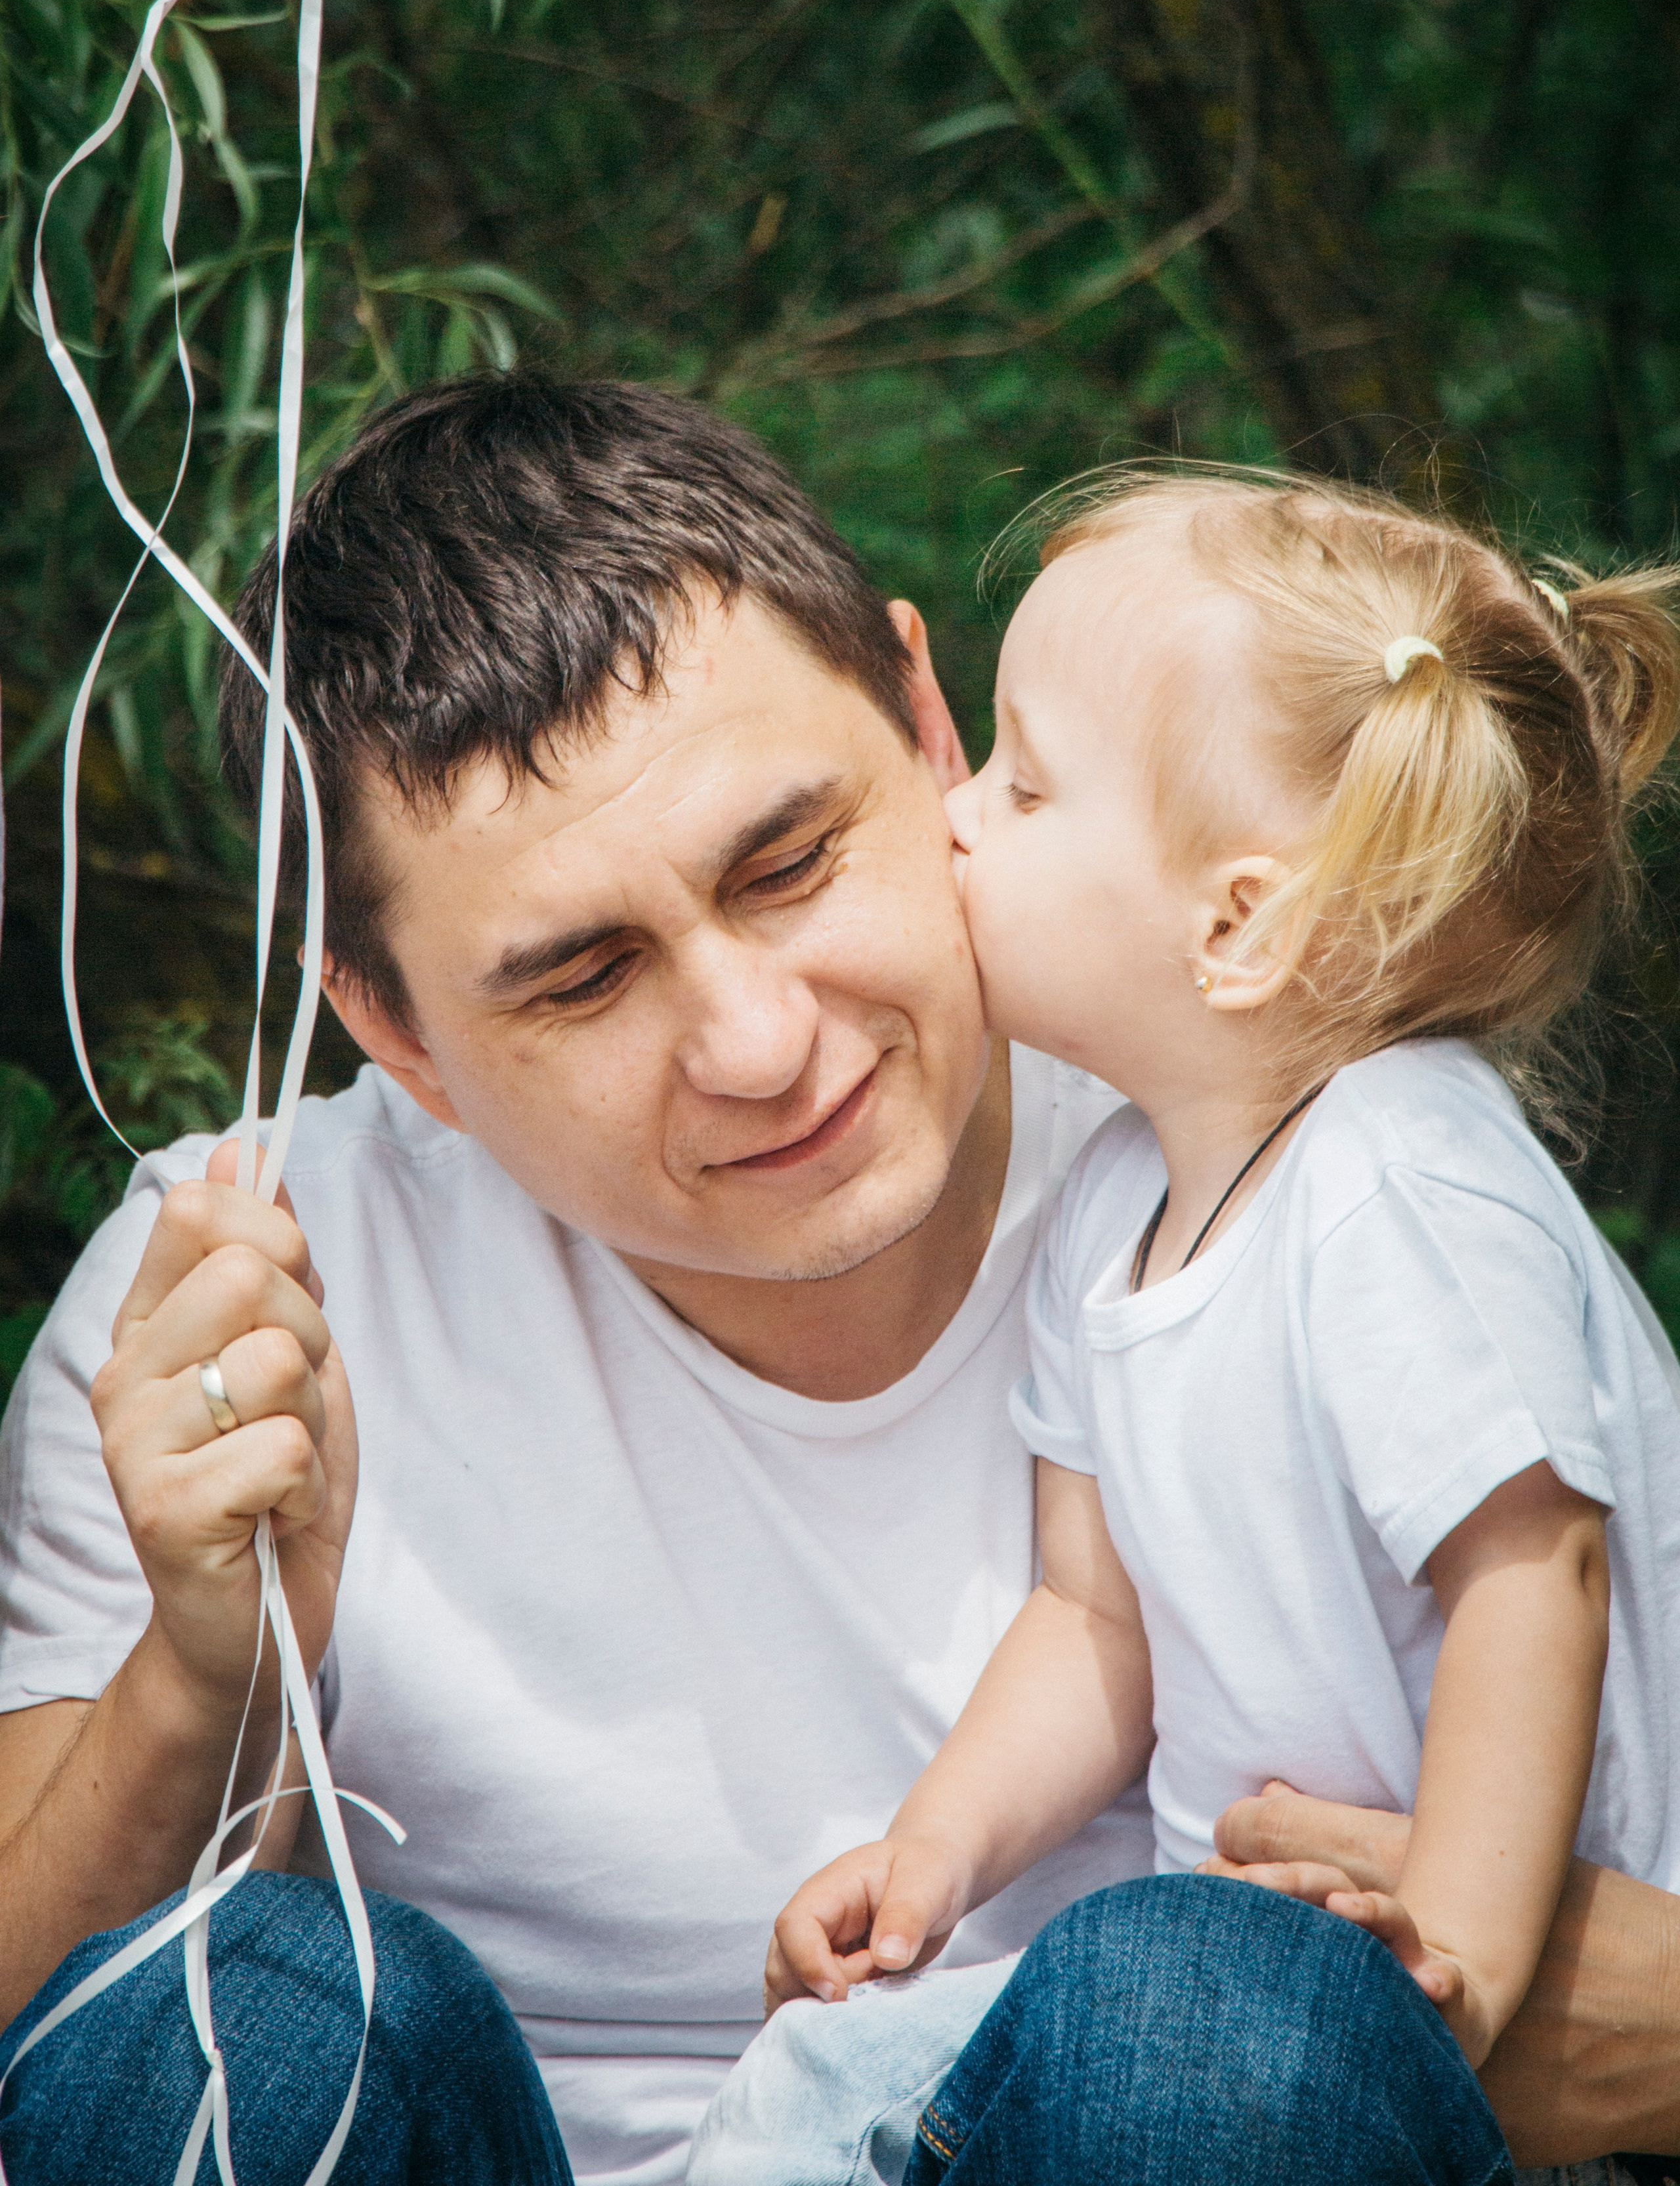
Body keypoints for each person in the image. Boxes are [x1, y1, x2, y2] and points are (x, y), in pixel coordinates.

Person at [0, 383, 1672, 2186]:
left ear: (928, 722)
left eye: (790, 863)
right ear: (393, 1033)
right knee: (224, 2007)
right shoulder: (239, 1300)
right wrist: (201, 1676)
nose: (758, 1040)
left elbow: (1549, 1630)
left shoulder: (1296, 1148)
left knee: (1217, 2011)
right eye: (582, 980)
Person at [738, 466, 1680, 2180]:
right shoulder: (1117, 1205)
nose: (952, 817)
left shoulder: (1401, 1182)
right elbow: (1095, 1616)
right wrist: (936, 1853)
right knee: (804, 2094)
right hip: (1222, 1998)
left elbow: (1535, 1578)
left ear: (1236, 926)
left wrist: (1454, 1975)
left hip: (1412, 2017)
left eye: (1024, 786)